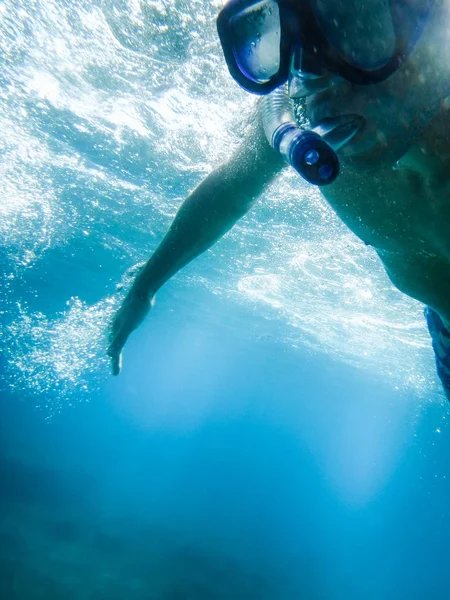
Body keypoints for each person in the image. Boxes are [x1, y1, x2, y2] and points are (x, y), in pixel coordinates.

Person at [107, 0, 450, 399]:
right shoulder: (299, 122)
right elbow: (230, 191)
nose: (315, 75)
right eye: (279, 42)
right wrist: (145, 286)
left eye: (357, 24)